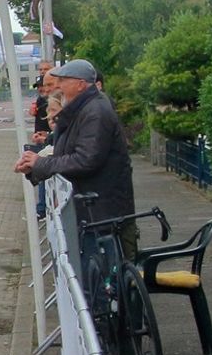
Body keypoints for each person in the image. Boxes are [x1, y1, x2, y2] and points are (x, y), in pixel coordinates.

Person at [15, 59, 138, 258]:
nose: (59, 86)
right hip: (91, 210)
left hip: (102, 213)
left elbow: (85, 160)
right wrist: (36, 165)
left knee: (103, 277)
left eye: (64, 80)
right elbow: (67, 152)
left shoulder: (95, 112)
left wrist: (41, 163)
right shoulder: (83, 110)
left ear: (80, 84)